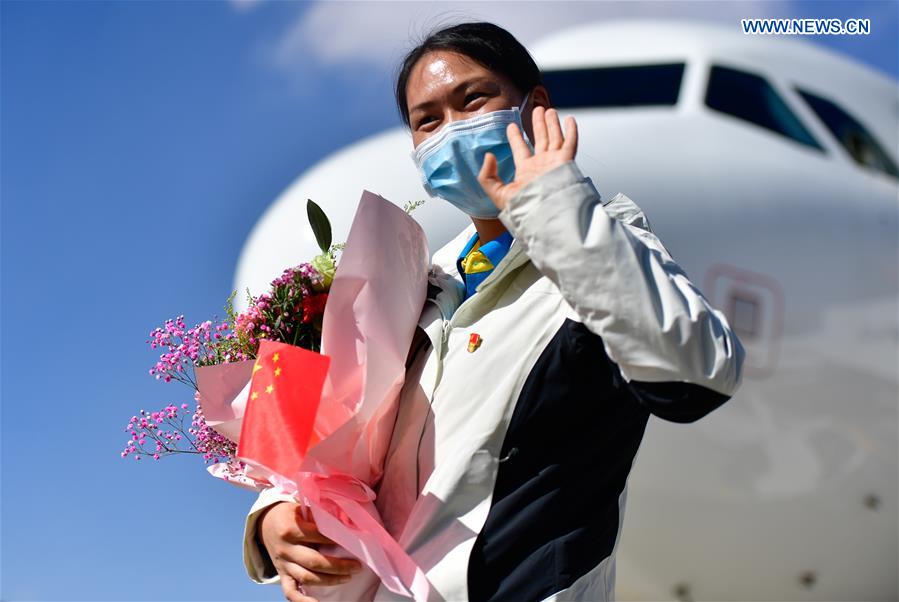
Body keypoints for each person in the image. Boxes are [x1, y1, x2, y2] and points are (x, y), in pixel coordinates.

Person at [243, 21, 745, 602]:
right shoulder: (411, 284)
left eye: (473, 99)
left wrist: (557, 210)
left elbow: (696, 377)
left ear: (535, 108)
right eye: (427, 121)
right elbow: (327, 442)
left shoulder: (606, 248)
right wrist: (276, 510)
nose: (452, 130)